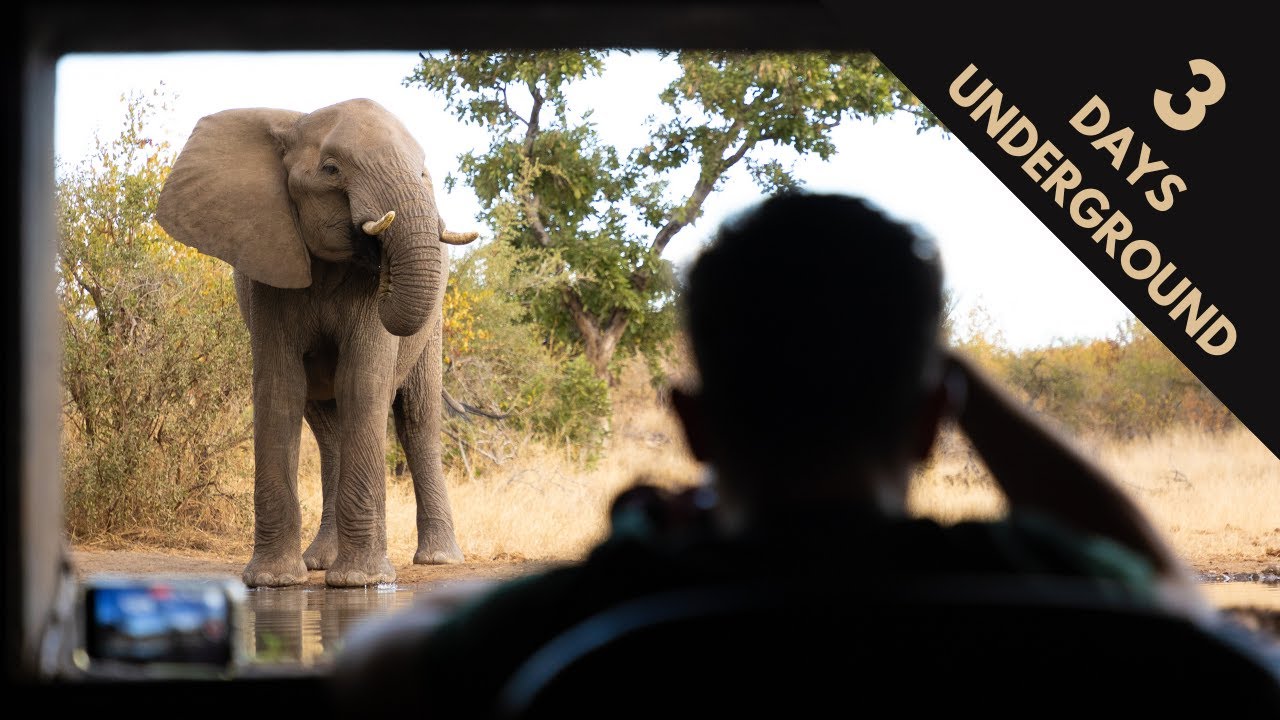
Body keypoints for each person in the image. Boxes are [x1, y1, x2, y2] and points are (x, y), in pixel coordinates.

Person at [332, 193, 1277, 713]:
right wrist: (963, 386)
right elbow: (1176, 611)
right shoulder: (1033, 580)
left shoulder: (618, 605)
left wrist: (630, 549)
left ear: (697, 429)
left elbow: (375, 662)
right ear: (929, 422)